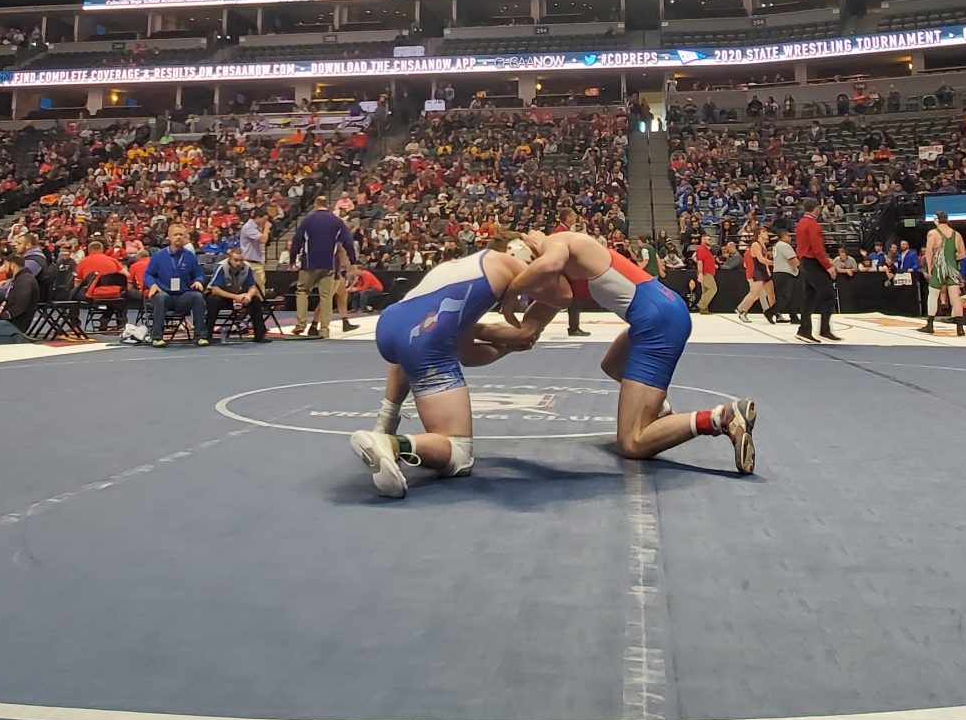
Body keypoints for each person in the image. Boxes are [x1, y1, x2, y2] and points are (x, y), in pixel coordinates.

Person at [509, 227, 757, 472]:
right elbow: (527, 333)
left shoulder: (556, 245)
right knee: (613, 364)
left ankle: (722, 418)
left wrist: (509, 294)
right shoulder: (563, 268)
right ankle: (659, 412)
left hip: (659, 323)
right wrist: (473, 333)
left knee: (632, 443)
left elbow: (548, 265)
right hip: (661, 310)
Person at [348, 239, 565, 497]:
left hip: (390, 325)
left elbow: (468, 355)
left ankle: (384, 424)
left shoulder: (465, 268)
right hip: (424, 343)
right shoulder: (511, 264)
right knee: (459, 455)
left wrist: (507, 344)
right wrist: (529, 326)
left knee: (413, 347)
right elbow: (563, 294)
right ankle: (391, 444)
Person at [287, 198, 354, 338]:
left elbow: (297, 241)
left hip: (309, 263)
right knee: (326, 296)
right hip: (328, 264)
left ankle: (301, 324)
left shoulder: (307, 220)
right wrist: (352, 260)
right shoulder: (336, 221)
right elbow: (348, 241)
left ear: (314, 205)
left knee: (302, 291)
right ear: (328, 206)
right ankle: (324, 329)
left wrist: (292, 259)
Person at [143, 227, 212, 346]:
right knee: (161, 297)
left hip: (182, 295)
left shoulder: (190, 256)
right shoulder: (159, 256)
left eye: (181, 234)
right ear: (169, 237)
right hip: (164, 294)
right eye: (175, 234)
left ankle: (201, 336)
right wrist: (152, 285)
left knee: (197, 297)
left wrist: (199, 281)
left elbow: (198, 274)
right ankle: (157, 337)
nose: (179, 237)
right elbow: (148, 273)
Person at [0, 251, 49, 344]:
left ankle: (18, 338)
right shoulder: (19, 278)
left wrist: (1, 316)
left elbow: (21, 305)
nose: (4, 269)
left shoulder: (25, 281)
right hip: (10, 319)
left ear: (13, 266)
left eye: (6, 266)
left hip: (16, 323)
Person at [793, 201, 837, 343]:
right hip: (812, 262)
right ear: (816, 209)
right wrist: (827, 265)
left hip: (804, 262)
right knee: (829, 294)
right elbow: (817, 248)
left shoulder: (800, 223)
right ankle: (824, 329)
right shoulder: (812, 225)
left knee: (809, 295)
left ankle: (804, 329)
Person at [205, 248, 271, 342]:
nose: (239, 263)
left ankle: (260, 335)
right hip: (217, 295)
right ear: (229, 259)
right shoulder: (221, 267)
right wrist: (235, 297)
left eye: (241, 260)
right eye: (236, 260)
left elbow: (252, 287)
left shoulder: (247, 267)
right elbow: (215, 290)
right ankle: (207, 334)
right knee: (214, 300)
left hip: (235, 295)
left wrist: (248, 296)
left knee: (255, 300)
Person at [921, 212, 966, 334]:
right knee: (955, 298)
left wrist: (930, 268)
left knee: (933, 295)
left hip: (939, 268)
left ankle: (930, 325)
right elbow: (963, 254)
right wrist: (951, 257)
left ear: (936, 220)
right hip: (952, 268)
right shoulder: (957, 234)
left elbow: (929, 252)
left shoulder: (933, 233)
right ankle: (960, 329)